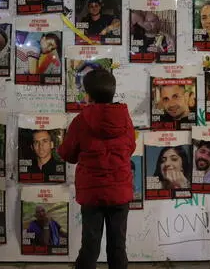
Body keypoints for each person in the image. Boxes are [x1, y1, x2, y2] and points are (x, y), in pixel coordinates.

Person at [57, 68, 134, 269]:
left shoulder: (81, 121)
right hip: (119, 193)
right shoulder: (125, 118)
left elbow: (67, 154)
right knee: (118, 246)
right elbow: (130, 148)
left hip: (92, 194)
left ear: (88, 94)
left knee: (90, 246)